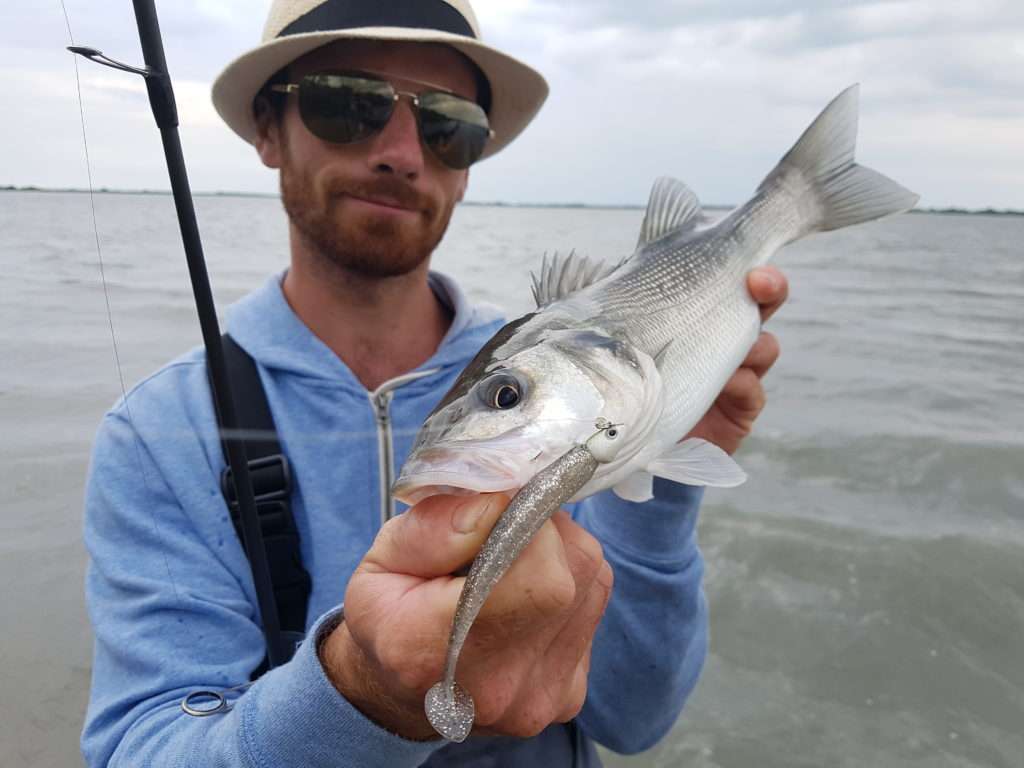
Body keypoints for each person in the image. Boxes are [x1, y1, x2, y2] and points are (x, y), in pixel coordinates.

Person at [80, 1, 788, 766]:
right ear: (266, 129)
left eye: (448, 125)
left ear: (470, 165)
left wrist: (663, 469)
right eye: (346, 103)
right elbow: (142, 748)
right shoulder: (157, 431)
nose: (401, 152)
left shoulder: (574, 389)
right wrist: (363, 692)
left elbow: (632, 713)